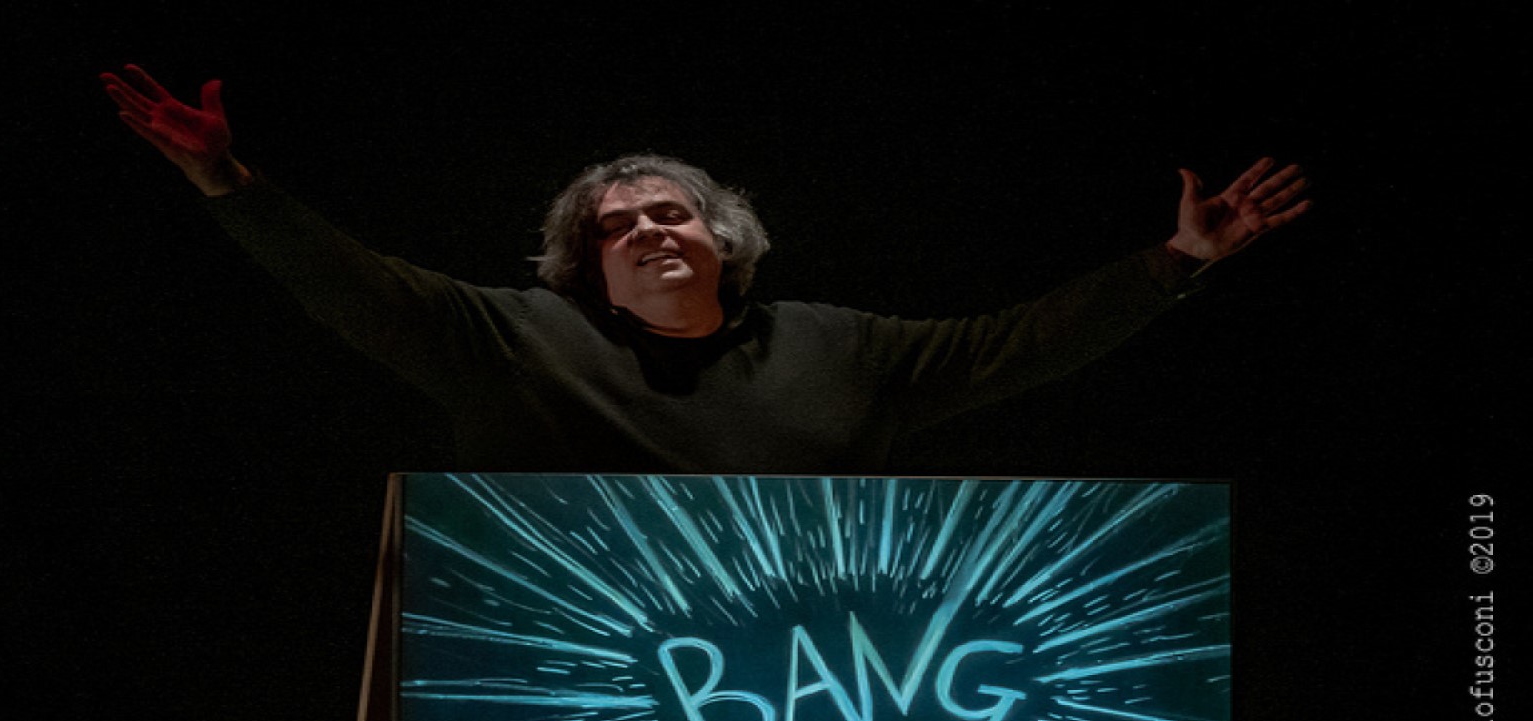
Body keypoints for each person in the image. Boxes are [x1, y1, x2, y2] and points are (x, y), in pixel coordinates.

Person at [100, 64, 1310, 475]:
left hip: (800, 695)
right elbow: (347, 282)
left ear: (721, 239)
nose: (646, 229)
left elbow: (1024, 343)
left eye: (670, 212)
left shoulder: (842, 346)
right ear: (586, 264)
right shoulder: (513, 340)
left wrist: (1174, 262)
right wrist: (225, 178)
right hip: (564, 690)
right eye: (616, 226)